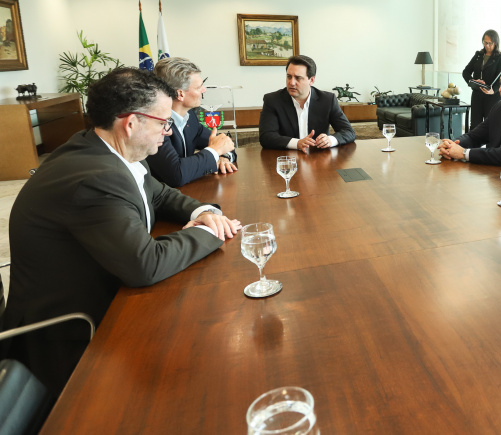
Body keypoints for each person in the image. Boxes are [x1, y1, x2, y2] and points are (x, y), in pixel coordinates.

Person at [1, 68, 242, 397]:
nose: (168, 132)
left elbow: (157, 193)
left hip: (109, 295)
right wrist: (211, 233)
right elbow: (145, 265)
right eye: (163, 123)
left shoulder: (112, 149)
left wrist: (203, 211)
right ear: (131, 123)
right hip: (71, 338)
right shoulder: (93, 176)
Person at [146, 56, 237, 187]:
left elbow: (224, 144)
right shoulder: (155, 124)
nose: (203, 90)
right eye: (199, 87)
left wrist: (223, 157)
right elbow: (176, 174)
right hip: (159, 202)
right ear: (180, 94)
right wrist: (214, 152)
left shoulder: (190, 117)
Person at [259, 55, 356, 151]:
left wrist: (330, 140)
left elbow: (348, 132)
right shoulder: (272, 100)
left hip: (319, 159)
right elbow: (266, 137)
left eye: (298, 78)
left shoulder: (327, 100)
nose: (292, 82)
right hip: (287, 160)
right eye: (289, 77)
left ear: (311, 80)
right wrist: (297, 143)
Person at [462, 29, 501, 129]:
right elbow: (466, 72)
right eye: (485, 43)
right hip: (477, 95)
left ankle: (490, 146)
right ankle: (473, 145)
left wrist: (493, 90)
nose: (487, 46)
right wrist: (473, 81)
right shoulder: (478, 55)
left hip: (492, 97)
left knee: (491, 127)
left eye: (490, 43)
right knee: (474, 126)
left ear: (495, 43)